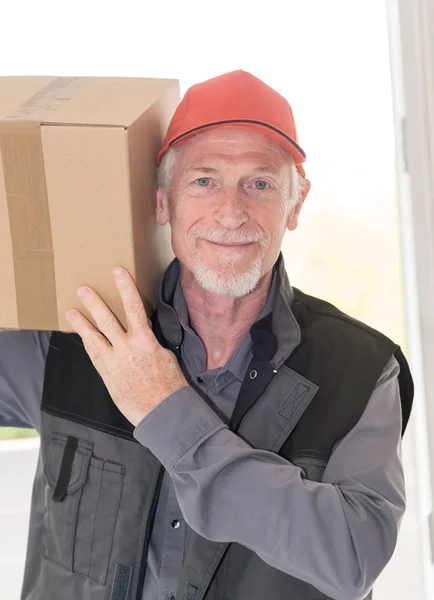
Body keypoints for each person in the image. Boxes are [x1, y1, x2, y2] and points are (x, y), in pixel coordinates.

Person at [0, 70, 413, 600]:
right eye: (204, 180)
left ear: (296, 204)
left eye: (260, 184)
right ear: (161, 202)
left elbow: (353, 557)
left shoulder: (359, 369)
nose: (231, 211)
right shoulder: (77, 338)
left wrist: (165, 411)